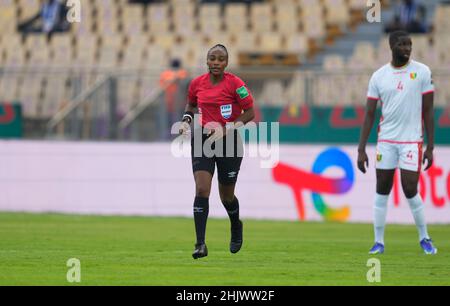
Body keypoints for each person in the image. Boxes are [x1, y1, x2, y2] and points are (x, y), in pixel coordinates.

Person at [358, 31, 437, 255]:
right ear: (392, 46)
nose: (407, 48)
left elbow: (429, 110)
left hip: (412, 140)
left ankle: (425, 237)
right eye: (403, 44)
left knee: (410, 188)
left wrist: (430, 147)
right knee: (382, 189)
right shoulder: (379, 76)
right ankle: (378, 242)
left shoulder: (422, 72)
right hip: (386, 141)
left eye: (409, 44)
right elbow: (369, 114)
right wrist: (361, 149)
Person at [179, 44, 255, 259]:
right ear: (207, 60)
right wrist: (186, 120)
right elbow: (190, 105)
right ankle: (200, 244)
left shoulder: (236, 84)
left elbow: (250, 112)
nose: (216, 62)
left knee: (226, 197)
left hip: (228, 141)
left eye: (221, 59)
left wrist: (227, 128)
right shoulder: (196, 84)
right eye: (213, 58)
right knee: (202, 189)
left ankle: (235, 225)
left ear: (226, 63)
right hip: (203, 138)